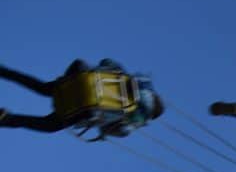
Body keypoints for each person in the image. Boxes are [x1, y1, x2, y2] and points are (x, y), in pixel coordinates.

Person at [0, 58, 163, 136]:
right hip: (85, 108)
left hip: (80, 77)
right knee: (49, 125)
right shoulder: (134, 117)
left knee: (42, 88)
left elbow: (106, 61)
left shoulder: (130, 80)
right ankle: (6, 118)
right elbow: (115, 130)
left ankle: (4, 71)